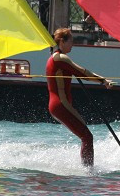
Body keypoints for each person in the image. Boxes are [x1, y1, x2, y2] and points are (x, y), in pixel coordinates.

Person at [47, 28, 113, 168]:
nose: (73, 44)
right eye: (71, 41)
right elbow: (82, 72)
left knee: (86, 136)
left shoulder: (56, 57)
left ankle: (87, 169)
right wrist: (103, 80)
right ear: (62, 41)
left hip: (59, 106)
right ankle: (88, 172)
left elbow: (76, 72)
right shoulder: (60, 58)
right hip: (61, 105)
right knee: (87, 137)